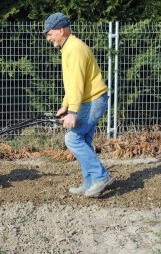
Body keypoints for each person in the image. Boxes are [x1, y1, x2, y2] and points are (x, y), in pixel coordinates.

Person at [42, 12, 114, 197]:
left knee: (72, 139)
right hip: (90, 100)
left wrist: (73, 112)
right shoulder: (69, 47)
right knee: (84, 142)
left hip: (92, 101)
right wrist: (66, 105)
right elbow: (72, 82)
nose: (48, 38)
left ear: (61, 30)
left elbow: (76, 83)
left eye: (49, 33)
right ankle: (90, 182)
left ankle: (100, 177)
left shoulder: (74, 49)